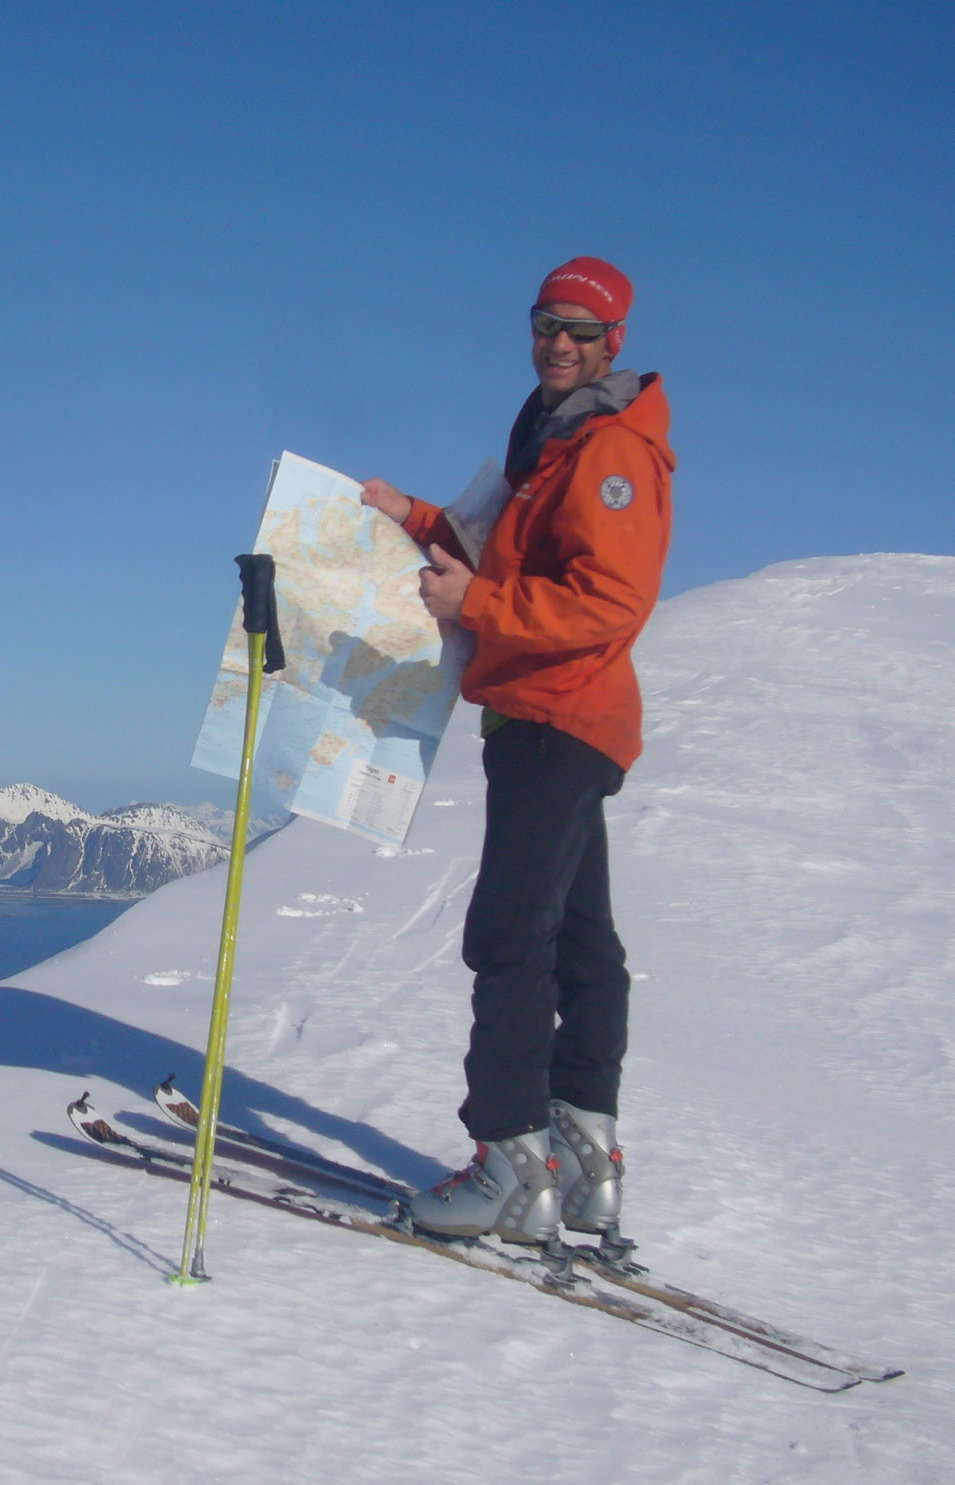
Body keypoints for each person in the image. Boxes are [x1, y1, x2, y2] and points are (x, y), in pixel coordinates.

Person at [359, 256, 674, 1252]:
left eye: (582, 331)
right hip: (550, 719)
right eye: (547, 324)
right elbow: (496, 546)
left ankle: (507, 1164)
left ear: (615, 343)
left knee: (508, 935)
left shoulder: (608, 451)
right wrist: (411, 517)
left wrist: (477, 607)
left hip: (558, 713)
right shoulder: (552, 438)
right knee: (579, 938)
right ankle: (583, 1160)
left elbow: (607, 605)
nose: (560, 344)